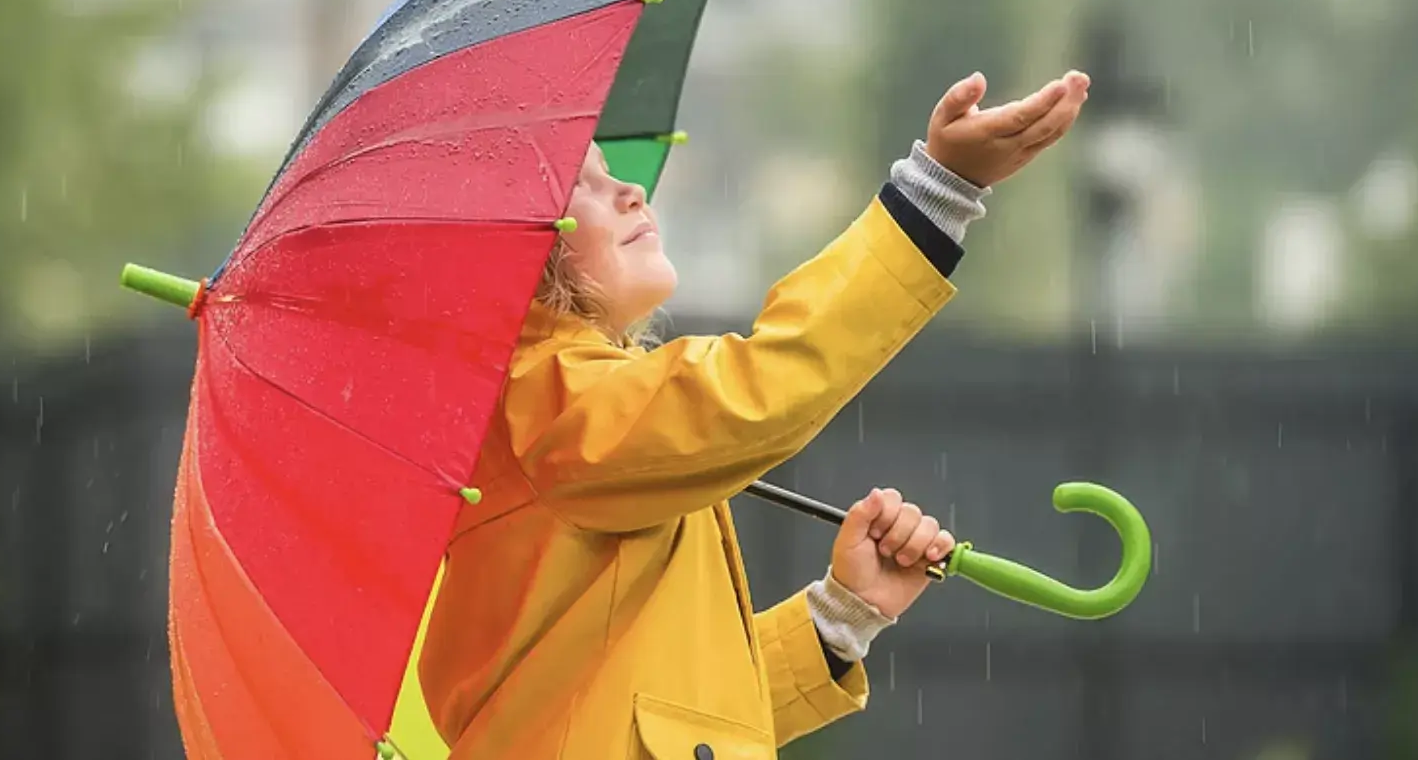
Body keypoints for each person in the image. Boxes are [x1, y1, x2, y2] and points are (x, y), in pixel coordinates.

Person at [418, 69, 1092, 758]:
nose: (630, 192)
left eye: (612, 172)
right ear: (511, 255)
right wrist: (937, 194)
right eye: (578, 187)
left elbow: (675, 712)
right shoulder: (550, 402)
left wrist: (839, 620)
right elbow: (759, 390)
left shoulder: (569, 414)